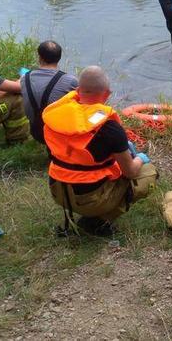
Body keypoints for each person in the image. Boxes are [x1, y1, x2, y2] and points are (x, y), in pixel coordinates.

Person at [43, 66, 158, 237]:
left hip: (58, 191)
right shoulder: (110, 128)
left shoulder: (55, 118)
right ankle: (99, 220)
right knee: (149, 173)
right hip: (89, 200)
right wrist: (140, 158)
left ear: (77, 90)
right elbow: (131, 171)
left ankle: (88, 213)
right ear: (107, 94)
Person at [20, 40, 78, 143]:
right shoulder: (71, 81)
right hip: (58, 134)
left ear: (40, 57)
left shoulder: (25, 78)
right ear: (59, 58)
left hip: (36, 132)